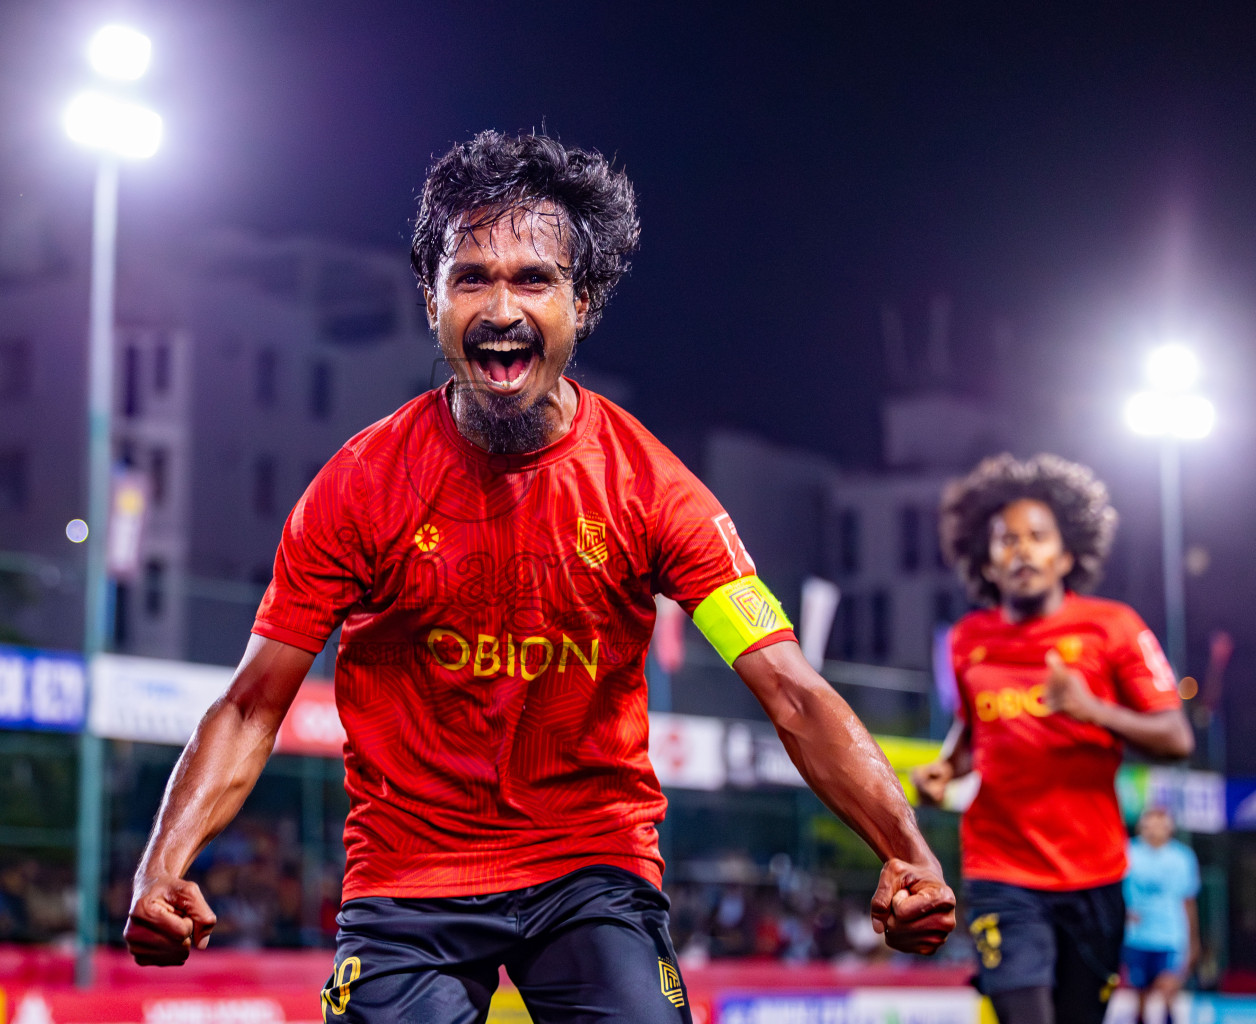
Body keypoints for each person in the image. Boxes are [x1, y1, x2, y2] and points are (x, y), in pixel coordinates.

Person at [125, 130, 955, 1021]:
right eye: (472, 276)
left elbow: (789, 689)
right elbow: (254, 702)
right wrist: (162, 863)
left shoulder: (653, 491)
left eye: (534, 278)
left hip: (591, 868)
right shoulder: (359, 486)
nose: (501, 306)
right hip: (409, 878)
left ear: (583, 301)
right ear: (432, 298)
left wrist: (906, 847)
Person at [913, 453, 1194, 1024]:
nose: (1021, 550)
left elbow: (1174, 737)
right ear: (985, 561)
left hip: (1094, 874)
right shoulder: (968, 640)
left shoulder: (1112, 627)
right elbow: (972, 727)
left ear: (1067, 554)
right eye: (1005, 540)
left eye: (1037, 537)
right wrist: (947, 767)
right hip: (1001, 869)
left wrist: (1092, 710)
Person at [1122, 806, 1201, 1024]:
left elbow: (1189, 901)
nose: (1154, 829)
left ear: (1169, 828)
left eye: (1160, 823)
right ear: (1141, 826)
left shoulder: (1183, 858)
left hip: (1170, 938)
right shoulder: (1127, 852)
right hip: (1136, 938)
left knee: (1168, 991)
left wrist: (1193, 942)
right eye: (1149, 823)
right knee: (1140, 996)